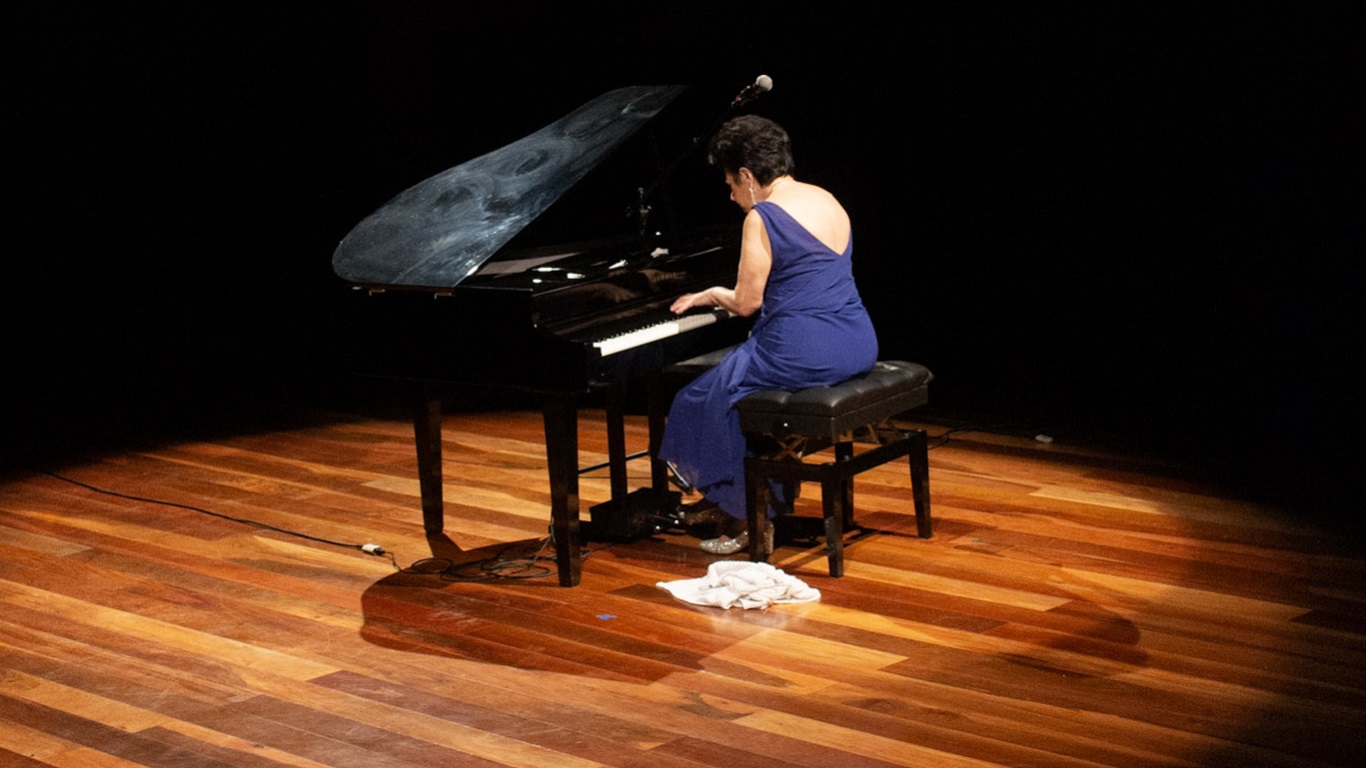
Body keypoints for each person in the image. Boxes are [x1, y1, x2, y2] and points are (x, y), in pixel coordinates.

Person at [657, 115, 878, 554]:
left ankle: (747, 518)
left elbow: (746, 304)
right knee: (724, 393)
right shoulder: (826, 197)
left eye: (730, 184)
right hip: (856, 341)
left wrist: (710, 294)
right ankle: (742, 498)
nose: (731, 195)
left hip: (802, 349)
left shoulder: (762, 217)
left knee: (699, 399)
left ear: (746, 175)